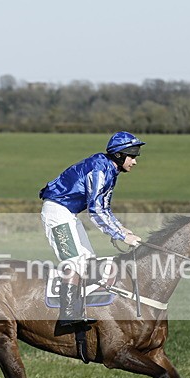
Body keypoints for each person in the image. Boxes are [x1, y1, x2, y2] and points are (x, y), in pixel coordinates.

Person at [39, 131, 145, 328]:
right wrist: (121, 235)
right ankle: (68, 314)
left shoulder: (110, 170)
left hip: (68, 214)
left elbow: (104, 208)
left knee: (88, 260)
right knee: (75, 261)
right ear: (120, 155)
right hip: (57, 211)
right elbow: (95, 210)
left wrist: (121, 229)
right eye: (132, 156)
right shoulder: (99, 170)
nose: (135, 161)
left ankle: (81, 308)